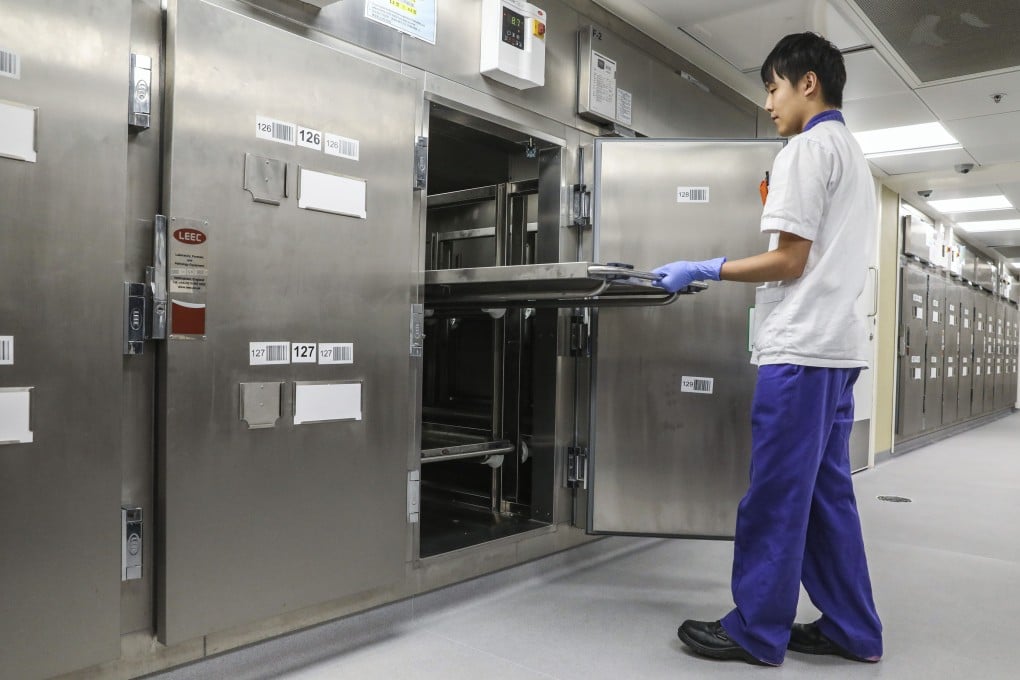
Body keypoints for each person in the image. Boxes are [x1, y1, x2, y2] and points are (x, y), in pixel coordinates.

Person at [652, 32, 884, 667]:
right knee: (824, 495)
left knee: (778, 494)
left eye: (774, 87)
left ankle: (756, 629)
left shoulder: (807, 151)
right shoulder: (851, 153)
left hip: (802, 353)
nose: (769, 101)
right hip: (837, 353)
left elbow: (788, 260)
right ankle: (851, 627)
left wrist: (704, 267)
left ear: (808, 82)